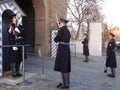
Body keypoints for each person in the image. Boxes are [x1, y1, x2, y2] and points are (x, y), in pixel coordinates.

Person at [54, 18, 71, 89]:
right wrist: (59, 32)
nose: (59, 24)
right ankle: (65, 83)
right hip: (66, 49)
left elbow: (55, 40)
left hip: (62, 50)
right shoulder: (67, 30)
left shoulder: (61, 30)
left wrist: (58, 33)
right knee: (64, 67)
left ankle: (66, 84)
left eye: (60, 23)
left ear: (63, 23)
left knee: (63, 67)